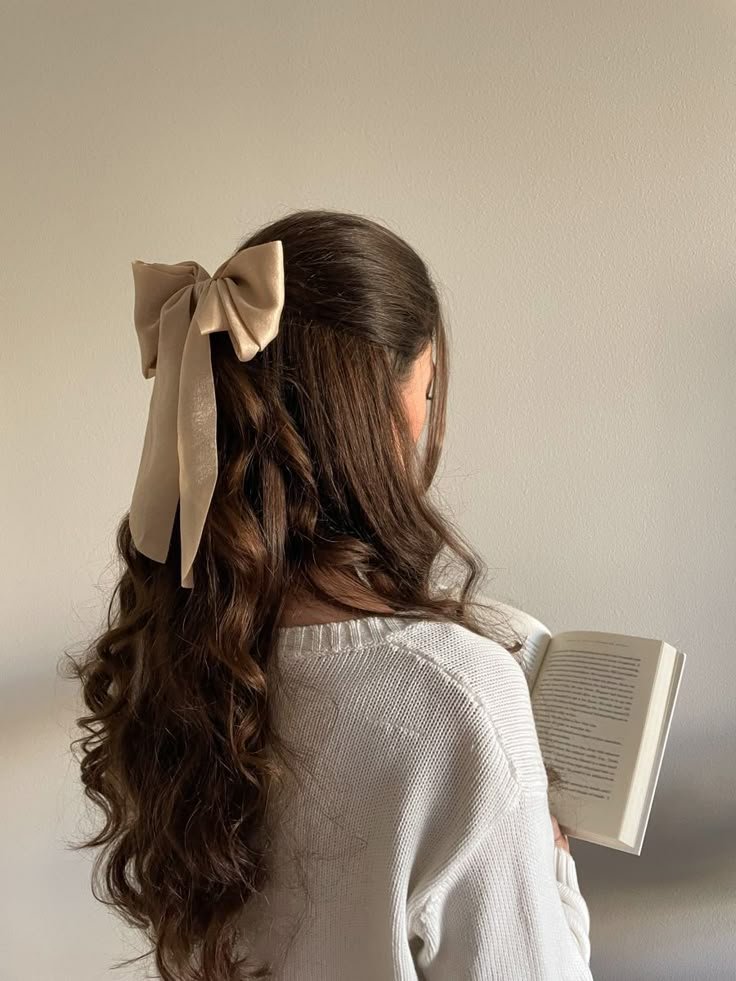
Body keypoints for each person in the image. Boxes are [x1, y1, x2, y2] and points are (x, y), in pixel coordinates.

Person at [63, 209, 593, 980]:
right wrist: (555, 872)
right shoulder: (459, 699)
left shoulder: (178, 637)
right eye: (429, 388)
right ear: (381, 413)